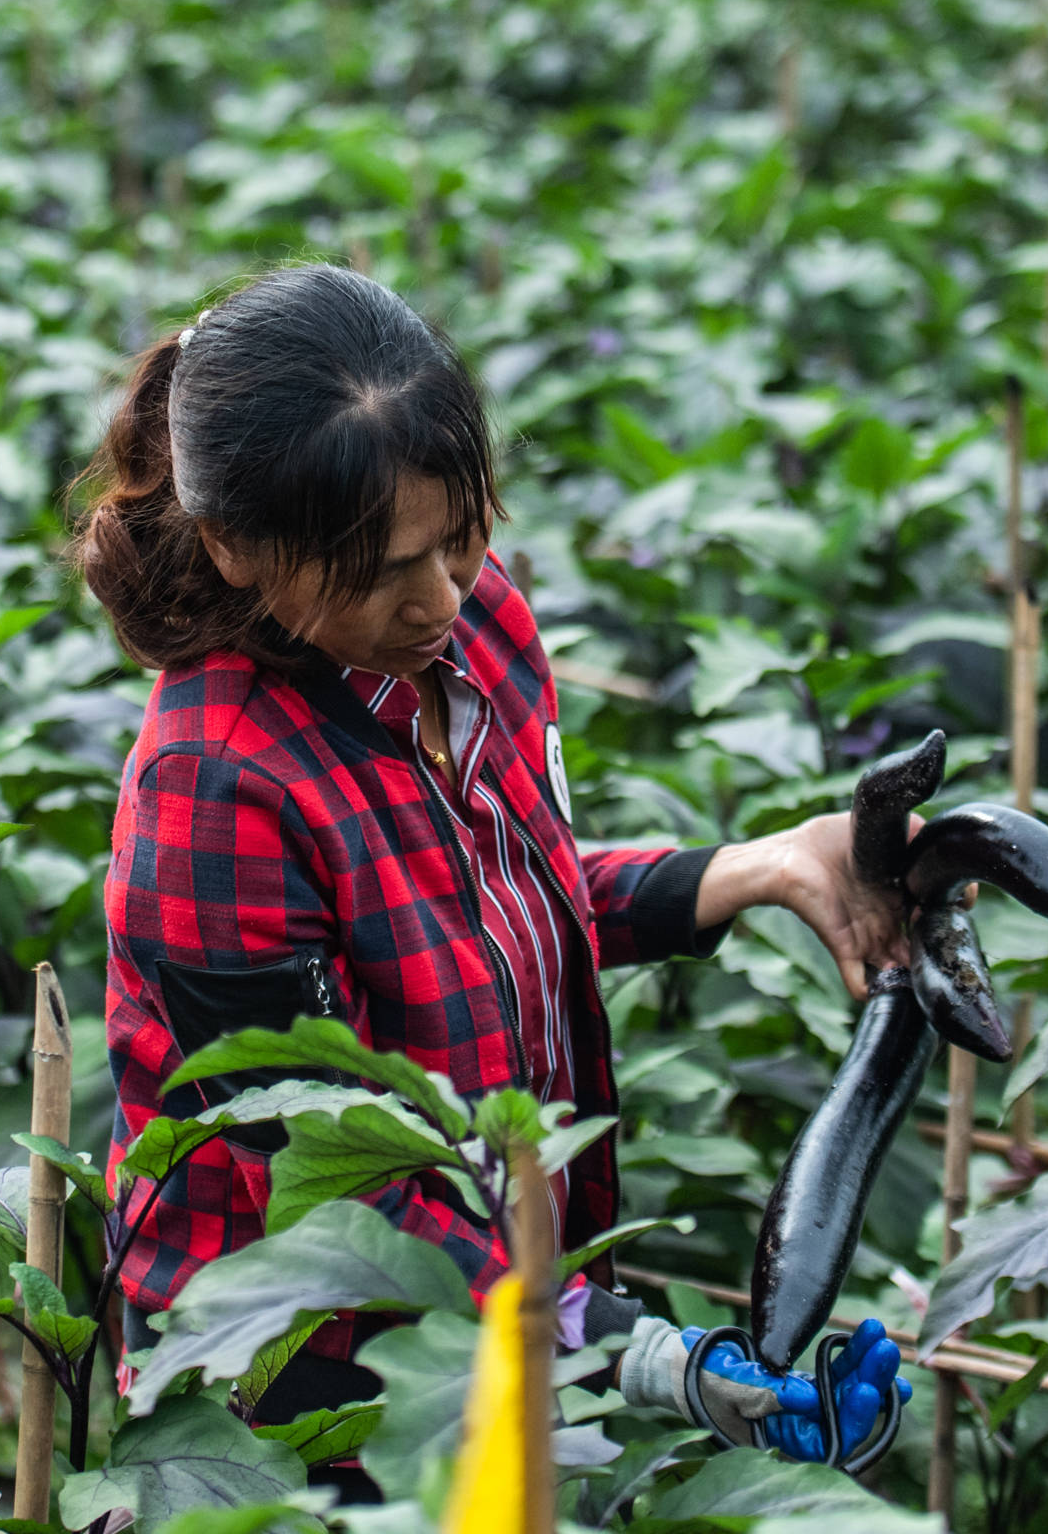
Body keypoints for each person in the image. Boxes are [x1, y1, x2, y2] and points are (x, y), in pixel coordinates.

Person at [78, 263, 910, 1476]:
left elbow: (495, 896)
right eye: (379, 568)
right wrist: (647, 1356)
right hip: (302, 1372)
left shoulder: (477, 628)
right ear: (237, 547)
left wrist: (760, 866)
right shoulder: (215, 783)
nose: (442, 598)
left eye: (458, 538)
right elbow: (333, 1185)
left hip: (508, 1280)